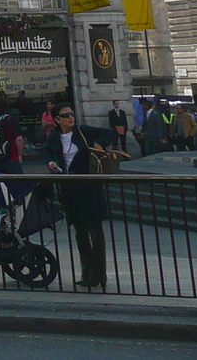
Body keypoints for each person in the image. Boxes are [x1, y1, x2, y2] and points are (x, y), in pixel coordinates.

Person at [43, 104, 119, 288]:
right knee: (80, 233)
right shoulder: (54, 137)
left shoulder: (83, 131)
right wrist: (51, 162)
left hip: (89, 186)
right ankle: (86, 271)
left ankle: (99, 274)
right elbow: (46, 152)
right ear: (57, 120)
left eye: (71, 114)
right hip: (70, 188)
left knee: (95, 231)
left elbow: (111, 132)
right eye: (65, 115)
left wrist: (99, 143)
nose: (70, 117)